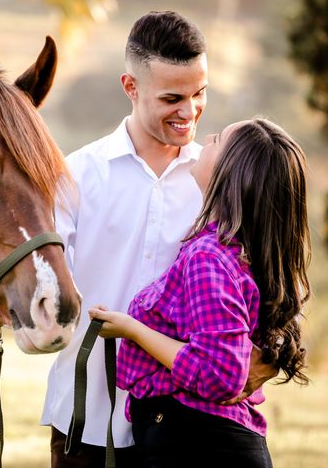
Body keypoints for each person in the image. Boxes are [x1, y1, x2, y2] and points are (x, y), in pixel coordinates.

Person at [0, 11, 275, 466]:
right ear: (130, 87)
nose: (189, 111)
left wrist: (270, 353)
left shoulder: (220, 182)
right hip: (87, 421)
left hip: (188, 432)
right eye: (173, 97)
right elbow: (36, 280)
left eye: (200, 94)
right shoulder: (73, 176)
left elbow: (267, 289)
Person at [90, 118, 310, 468]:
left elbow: (220, 376)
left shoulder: (209, 258)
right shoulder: (245, 254)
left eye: (218, 139)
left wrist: (131, 329)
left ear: (231, 173)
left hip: (197, 443)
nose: (207, 137)